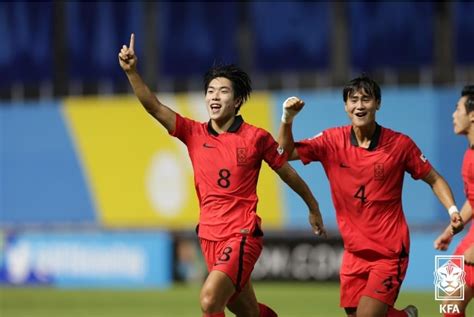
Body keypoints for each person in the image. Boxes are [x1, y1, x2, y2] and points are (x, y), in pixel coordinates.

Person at [118, 33, 326, 317]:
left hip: (242, 234)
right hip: (209, 236)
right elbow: (154, 106)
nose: (214, 96)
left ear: (238, 100)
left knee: (208, 300)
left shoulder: (255, 137)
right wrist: (132, 72)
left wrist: (313, 206)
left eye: (223, 91)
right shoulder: (193, 133)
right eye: (210, 90)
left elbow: (287, 172)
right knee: (250, 313)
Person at [277, 75, 464, 317]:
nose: (359, 106)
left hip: (389, 251)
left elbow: (435, 179)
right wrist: (287, 118)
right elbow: (283, 153)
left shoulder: (400, 145)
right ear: (345, 106)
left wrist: (452, 210)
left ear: (378, 103)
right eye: (353, 100)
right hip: (354, 252)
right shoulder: (331, 141)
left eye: (366, 99)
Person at [434, 85, 474, 317]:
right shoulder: (469, 153)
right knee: (448, 304)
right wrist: (450, 231)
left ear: (472, 115)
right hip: (468, 236)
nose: (453, 114)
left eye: (457, 108)